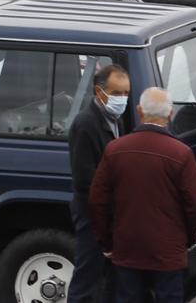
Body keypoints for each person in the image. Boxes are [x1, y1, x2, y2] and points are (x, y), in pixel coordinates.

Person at [88, 87, 196, 303]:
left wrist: (107, 243)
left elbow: (97, 202)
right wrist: (186, 239)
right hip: (168, 253)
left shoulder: (115, 150)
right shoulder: (181, 154)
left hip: (127, 249)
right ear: (170, 114)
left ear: (139, 111)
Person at [68, 63, 132, 303]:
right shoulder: (86, 124)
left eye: (126, 93)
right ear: (99, 92)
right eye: (117, 94)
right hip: (92, 214)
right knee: (88, 276)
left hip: (111, 214)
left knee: (110, 279)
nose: (122, 99)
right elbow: (85, 178)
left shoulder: (116, 119)